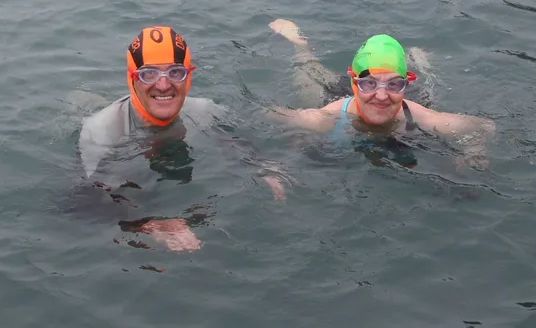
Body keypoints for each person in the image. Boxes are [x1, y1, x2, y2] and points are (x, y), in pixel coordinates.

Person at [75, 26, 290, 253]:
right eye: (149, 73)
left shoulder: (203, 110)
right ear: (132, 78)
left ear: (188, 76)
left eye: (175, 72)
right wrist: (146, 224)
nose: (164, 85)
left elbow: (232, 141)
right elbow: (85, 206)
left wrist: (265, 167)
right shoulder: (101, 132)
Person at [266, 19, 495, 170]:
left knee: (429, 90)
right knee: (311, 80)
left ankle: (418, 60)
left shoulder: (423, 117)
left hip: (404, 103)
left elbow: (484, 126)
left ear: (404, 84)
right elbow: (268, 114)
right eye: (368, 83)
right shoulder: (324, 118)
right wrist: (276, 165)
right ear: (355, 83)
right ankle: (300, 45)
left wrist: (474, 151)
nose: (382, 96)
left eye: (395, 84)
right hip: (344, 100)